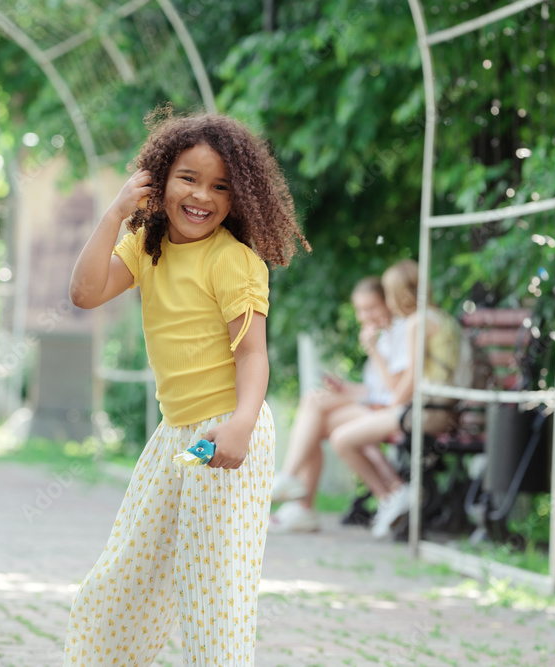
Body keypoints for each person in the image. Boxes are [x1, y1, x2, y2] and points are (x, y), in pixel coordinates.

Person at [63, 107, 309, 665]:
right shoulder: (147, 247)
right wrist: (116, 212)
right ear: (160, 179)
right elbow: (84, 293)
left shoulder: (234, 261)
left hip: (226, 432)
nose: (203, 196)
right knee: (120, 578)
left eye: (221, 186)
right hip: (179, 439)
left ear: (238, 197)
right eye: (189, 178)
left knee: (213, 597)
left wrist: (241, 426)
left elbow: (253, 355)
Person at [329, 259, 461, 538]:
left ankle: (395, 495)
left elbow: (406, 386)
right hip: (444, 409)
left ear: (400, 294)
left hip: (425, 412)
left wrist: (384, 410)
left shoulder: (416, 323)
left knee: (341, 438)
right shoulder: (441, 318)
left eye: (389, 294)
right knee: (347, 433)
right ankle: (395, 496)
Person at [268, 277, 410, 533]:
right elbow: (373, 388)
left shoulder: (399, 333)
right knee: (314, 409)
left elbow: (394, 390)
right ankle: (299, 502)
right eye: (360, 310)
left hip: (390, 410)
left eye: (371, 308)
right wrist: (344, 389)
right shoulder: (382, 336)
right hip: (377, 404)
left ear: (387, 303)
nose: (364, 315)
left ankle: (298, 495)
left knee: (314, 412)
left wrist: (373, 351)